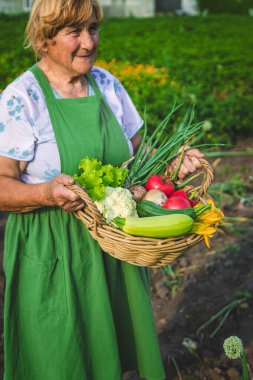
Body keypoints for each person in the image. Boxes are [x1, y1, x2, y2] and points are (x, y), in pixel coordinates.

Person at [0, 1, 204, 379]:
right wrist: (45, 193)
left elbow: (145, 157)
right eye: (73, 32)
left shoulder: (108, 85)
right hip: (54, 248)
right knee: (60, 356)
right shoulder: (21, 98)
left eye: (93, 29)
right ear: (45, 38)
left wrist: (175, 164)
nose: (88, 42)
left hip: (115, 243)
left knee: (113, 356)